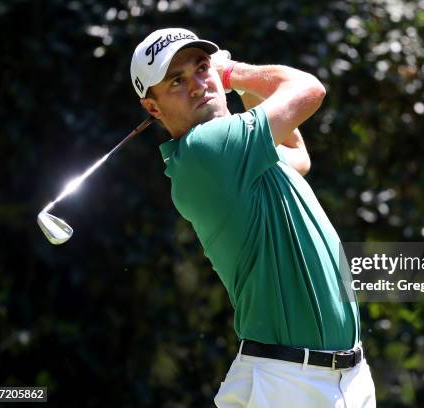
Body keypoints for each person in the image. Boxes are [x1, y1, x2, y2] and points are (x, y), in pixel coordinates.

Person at [130, 28, 376, 407]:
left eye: (201, 68)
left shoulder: (240, 154)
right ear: (153, 108)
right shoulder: (206, 150)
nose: (198, 85)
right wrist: (231, 73)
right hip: (288, 383)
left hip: (342, 377)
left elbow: (298, 155)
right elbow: (309, 89)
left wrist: (237, 87)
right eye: (177, 81)